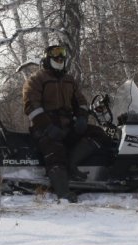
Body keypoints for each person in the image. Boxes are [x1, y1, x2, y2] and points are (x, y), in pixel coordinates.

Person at [22, 43, 102, 202]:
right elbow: (31, 106)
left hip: (67, 124)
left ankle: (72, 164)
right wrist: (47, 126)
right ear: (47, 58)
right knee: (55, 152)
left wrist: (82, 118)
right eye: (56, 55)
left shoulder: (69, 80)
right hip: (44, 127)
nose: (60, 58)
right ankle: (64, 193)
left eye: (62, 55)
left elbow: (81, 102)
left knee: (99, 134)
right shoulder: (36, 79)